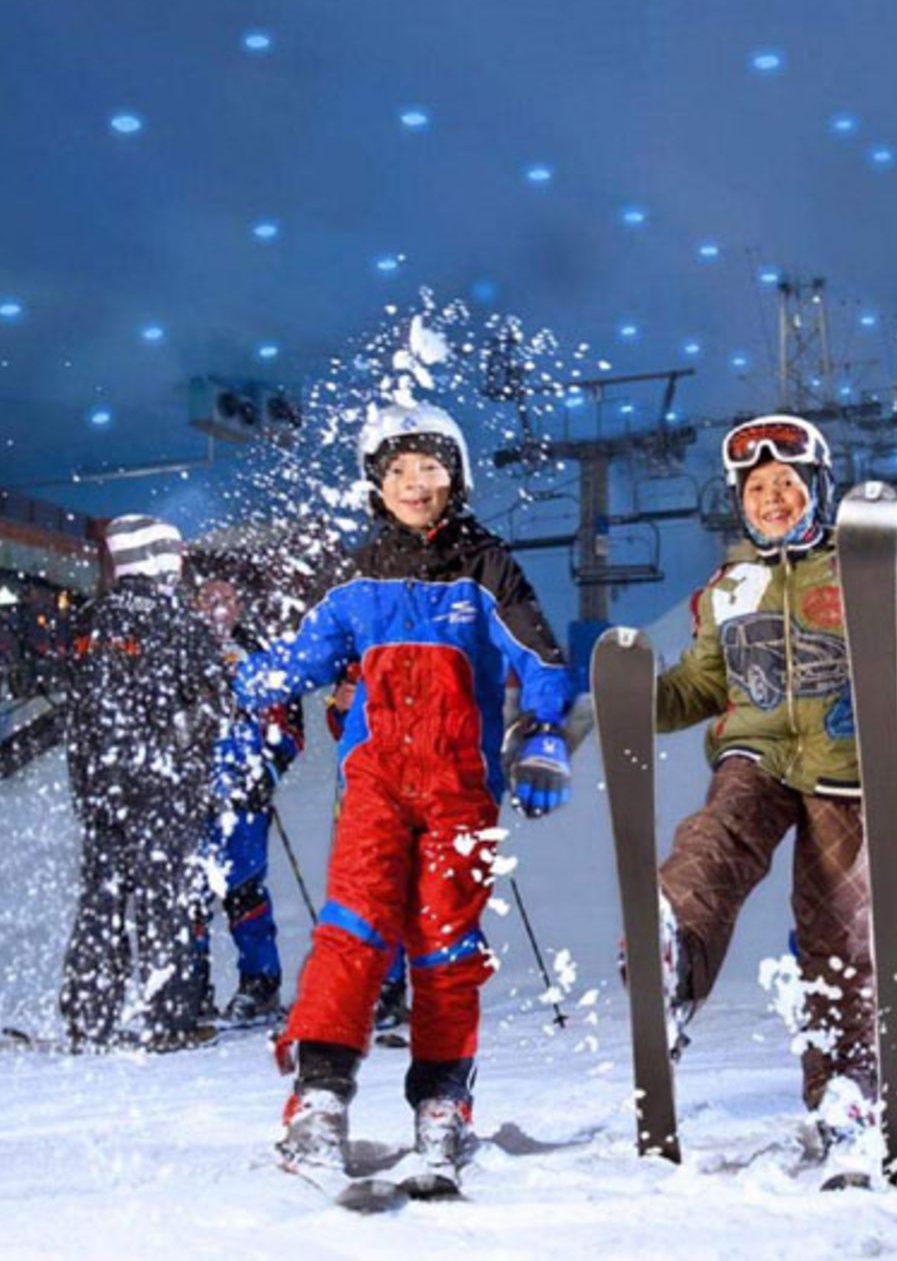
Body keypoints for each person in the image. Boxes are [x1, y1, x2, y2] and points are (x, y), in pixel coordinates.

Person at [650, 413, 897, 1175]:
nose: (772, 498)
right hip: (756, 753)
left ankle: (848, 1085)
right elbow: (699, 685)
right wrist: (630, 700)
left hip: (849, 766)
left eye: (787, 483)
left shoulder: (859, 570)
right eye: (757, 489)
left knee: (841, 927)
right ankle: (674, 948)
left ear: (817, 489)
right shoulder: (728, 590)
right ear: (739, 502)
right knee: (717, 837)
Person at [239, 403, 572, 1196]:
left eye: (429, 468)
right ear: (376, 484)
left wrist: (543, 730)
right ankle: (319, 1100)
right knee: (352, 929)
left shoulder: (486, 567)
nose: (414, 483)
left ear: (456, 477)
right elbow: (307, 653)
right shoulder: (358, 575)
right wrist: (257, 675)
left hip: (461, 788)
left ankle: (443, 1104)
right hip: (376, 783)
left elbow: (541, 655)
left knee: (447, 945)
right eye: (397, 471)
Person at [60, 515, 230, 1051]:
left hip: (99, 783)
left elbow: (77, 704)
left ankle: (89, 1017)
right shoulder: (179, 622)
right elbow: (214, 703)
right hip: (162, 785)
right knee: (165, 901)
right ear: (160, 560)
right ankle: (168, 1020)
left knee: (102, 898)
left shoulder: (87, 619)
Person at [193, 576, 305, 1025]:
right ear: (195, 605)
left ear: (239, 606)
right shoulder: (181, 651)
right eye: (208, 598)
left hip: (244, 794)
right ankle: (190, 988)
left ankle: (260, 984)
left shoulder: (259, 654)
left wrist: (267, 772)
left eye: (227, 598)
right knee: (190, 893)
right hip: (191, 797)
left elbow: (291, 727)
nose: (218, 607)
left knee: (244, 890)